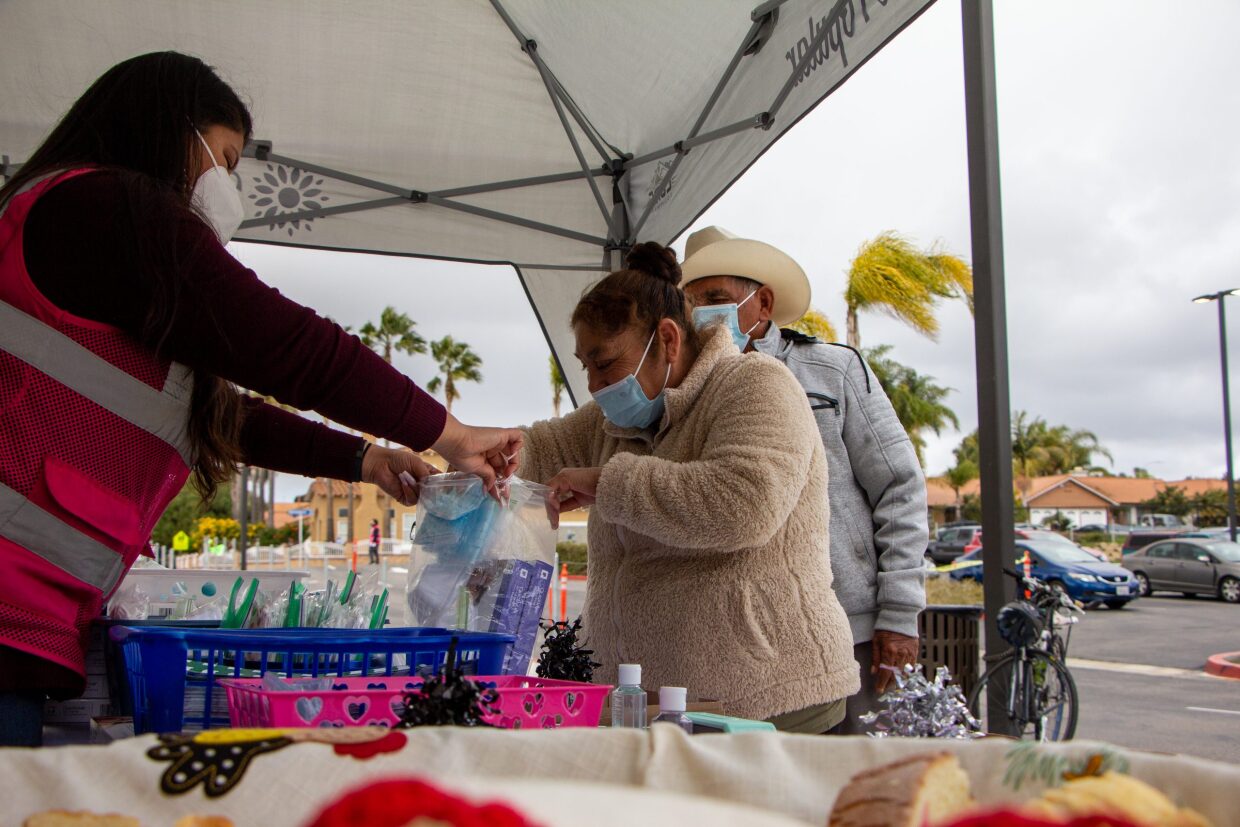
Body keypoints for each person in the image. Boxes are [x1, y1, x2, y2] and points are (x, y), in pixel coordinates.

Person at [0, 52, 522, 746]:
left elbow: (212, 415)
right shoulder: (103, 209)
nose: (228, 189)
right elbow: (282, 342)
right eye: (222, 158)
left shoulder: (95, 237)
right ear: (167, 132)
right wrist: (450, 432)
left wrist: (365, 459)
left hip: (26, 622)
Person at [519, 242, 858, 732]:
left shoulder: (757, 384)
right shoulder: (609, 421)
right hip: (655, 707)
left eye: (606, 363)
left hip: (770, 701)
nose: (594, 385)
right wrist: (457, 453)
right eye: (585, 367)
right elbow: (536, 450)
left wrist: (607, 484)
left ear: (669, 340)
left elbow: (743, 504)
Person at [680, 226, 928, 734]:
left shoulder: (831, 370)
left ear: (763, 302)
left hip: (847, 624)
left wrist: (899, 614)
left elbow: (899, 486)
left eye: (716, 298)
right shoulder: (682, 390)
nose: (701, 313)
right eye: (690, 302)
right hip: (731, 637)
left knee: (850, 785)